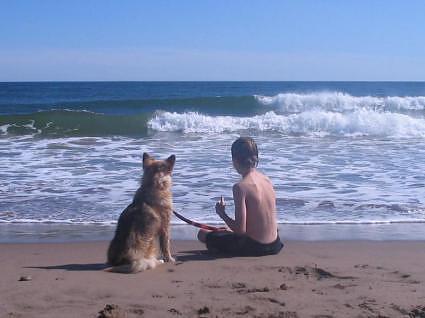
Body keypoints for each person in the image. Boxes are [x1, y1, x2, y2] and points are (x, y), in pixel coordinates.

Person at [197, 137, 283, 256]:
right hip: (275, 244)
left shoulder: (240, 187)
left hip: (255, 247)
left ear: (235, 160)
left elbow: (240, 231)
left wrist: (222, 214)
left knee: (202, 233)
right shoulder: (267, 180)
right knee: (224, 230)